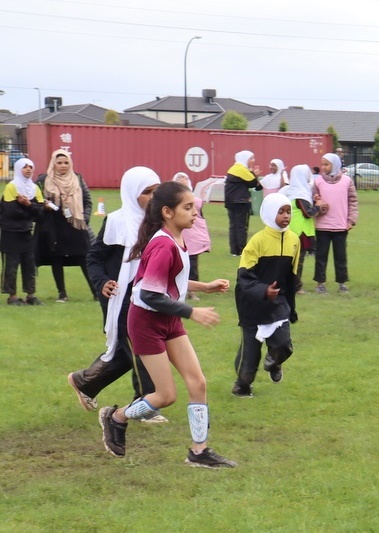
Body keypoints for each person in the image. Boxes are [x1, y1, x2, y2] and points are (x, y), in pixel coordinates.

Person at [98, 180, 236, 468]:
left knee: (198, 382)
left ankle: (199, 452)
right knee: (164, 396)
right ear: (167, 212)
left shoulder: (176, 239)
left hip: (167, 317)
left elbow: (169, 282)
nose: (195, 212)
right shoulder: (162, 244)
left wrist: (206, 287)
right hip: (146, 322)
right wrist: (191, 312)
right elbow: (149, 293)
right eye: (188, 207)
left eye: (194, 206)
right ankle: (117, 417)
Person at [68, 167, 163, 420]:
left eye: (157, 190)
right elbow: (94, 257)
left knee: (125, 353)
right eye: (147, 192)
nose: (154, 197)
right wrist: (102, 282)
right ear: (132, 194)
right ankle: (145, 407)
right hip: (119, 297)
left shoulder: (161, 222)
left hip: (149, 295)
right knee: (142, 350)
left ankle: (84, 381)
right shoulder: (116, 221)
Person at [232, 193, 301, 397]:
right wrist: (264, 291)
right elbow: (244, 277)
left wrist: (291, 308)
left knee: (283, 345)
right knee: (249, 356)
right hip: (251, 302)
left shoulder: (294, 241)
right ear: (270, 213)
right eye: (281, 211)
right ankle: (242, 387)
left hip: (278, 302)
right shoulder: (257, 241)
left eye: (288, 211)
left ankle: (274, 363)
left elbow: (291, 278)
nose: (286, 216)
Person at [36, 149, 96, 302]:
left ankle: (96, 292)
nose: (63, 166)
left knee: (84, 257)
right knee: (57, 258)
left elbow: (88, 201)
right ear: (53, 163)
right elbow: (35, 201)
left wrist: (85, 218)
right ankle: (62, 293)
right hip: (55, 225)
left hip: (76, 225)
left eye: (66, 163)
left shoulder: (77, 179)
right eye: (59, 163)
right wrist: (44, 206)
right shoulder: (44, 180)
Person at [311, 153, 358, 294]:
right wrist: (317, 201)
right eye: (322, 164)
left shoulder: (347, 181)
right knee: (321, 256)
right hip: (322, 226)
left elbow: (353, 201)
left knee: (340, 256)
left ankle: (342, 283)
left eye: (326, 164)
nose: (323, 167)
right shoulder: (318, 181)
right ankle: (320, 283)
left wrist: (351, 220)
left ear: (335, 164)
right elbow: (313, 199)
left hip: (340, 226)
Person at [1, 158, 45, 306]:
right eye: (25, 167)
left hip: (26, 232)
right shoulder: (11, 187)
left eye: (31, 167)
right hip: (11, 232)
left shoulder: (34, 188)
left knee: (29, 264)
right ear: (19, 169)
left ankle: (30, 295)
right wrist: (30, 209)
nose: (28, 169)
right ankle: (12, 296)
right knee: (11, 266)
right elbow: (10, 211)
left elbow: (40, 212)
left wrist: (26, 204)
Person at [279, 164, 326, 294]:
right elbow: (308, 212)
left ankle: (291, 285)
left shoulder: (293, 191)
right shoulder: (299, 194)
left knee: (294, 260)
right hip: (299, 232)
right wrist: (317, 206)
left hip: (295, 231)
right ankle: (295, 287)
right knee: (297, 261)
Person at [173, 172, 211, 300]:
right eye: (179, 180)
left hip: (192, 238)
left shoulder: (197, 202)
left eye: (184, 180)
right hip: (177, 236)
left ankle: (192, 292)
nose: (182, 181)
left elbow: (200, 219)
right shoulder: (170, 201)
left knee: (192, 265)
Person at [224, 150, 262, 256]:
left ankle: (234, 250)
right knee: (241, 226)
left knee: (233, 226)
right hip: (240, 202)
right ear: (245, 159)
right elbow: (255, 184)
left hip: (230, 202)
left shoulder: (233, 168)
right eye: (251, 158)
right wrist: (255, 174)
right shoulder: (242, 169)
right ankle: (242, 250)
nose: (253, 161)